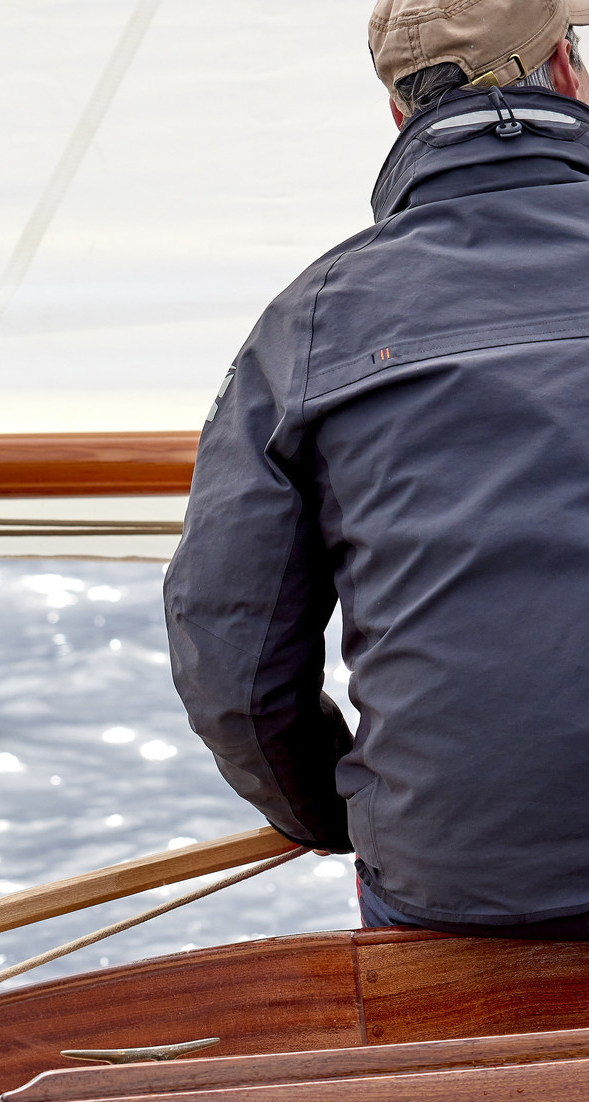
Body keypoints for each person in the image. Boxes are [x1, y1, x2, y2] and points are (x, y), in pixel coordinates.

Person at [164, 0, 589, 936]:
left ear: (400, 115)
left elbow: (229, 659)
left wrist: (345, 814)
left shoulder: (308, 323)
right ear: (566, 71)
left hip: (468, 882)